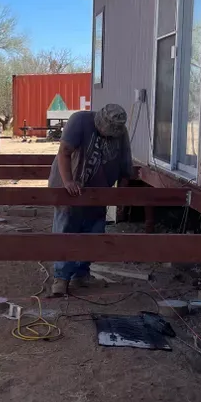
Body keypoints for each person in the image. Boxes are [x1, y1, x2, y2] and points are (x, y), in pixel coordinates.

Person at [48, 103, 133, 297]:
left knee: (94, 231)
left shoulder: (121, 134)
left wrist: (121, 197)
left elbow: (125, 168)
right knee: (67, 230)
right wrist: (68, 181)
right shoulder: (80, 121)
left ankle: (81, 274)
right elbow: (64, 152)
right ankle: (61, 277)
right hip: (68, 186)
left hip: (98, 192)